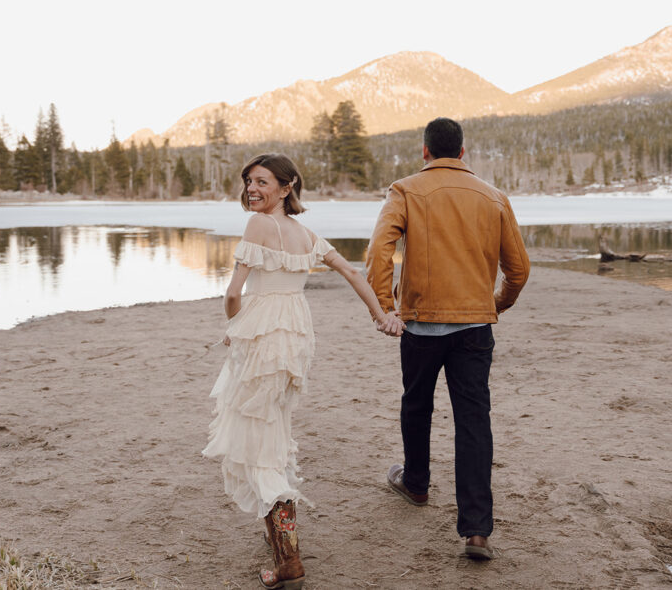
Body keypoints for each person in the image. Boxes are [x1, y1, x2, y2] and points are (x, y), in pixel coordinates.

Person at [203, 153, 403, 590]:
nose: (252, 189)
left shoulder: (258, 225)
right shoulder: (306, 234)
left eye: (262, 181)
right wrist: (381, 315)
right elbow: (351, 271)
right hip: (294, 341)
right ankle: (277, 534)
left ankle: (289, 560)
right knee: (271, 428)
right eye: (248, 181)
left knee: (257, 441)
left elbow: (233, 294)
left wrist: (233, 328)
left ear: (287, 186)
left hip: (262, 339)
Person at [365, 117, 530, 560]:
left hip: (420, 323)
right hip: (475, 327)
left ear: (425, 151)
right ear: (462, 152)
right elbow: (519, 269)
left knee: (416, 405)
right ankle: (477, 531)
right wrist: (497, 303)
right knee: (474, 420)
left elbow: (379, 249)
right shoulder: (493, 196)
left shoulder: (405, 190)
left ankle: (416, 484)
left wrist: (384, 305)